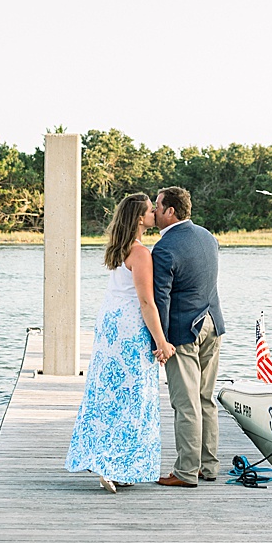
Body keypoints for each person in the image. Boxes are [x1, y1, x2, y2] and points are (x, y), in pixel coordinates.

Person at [66, 192, 175, 492]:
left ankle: (105, 459)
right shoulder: (140, 253)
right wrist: (162, 342)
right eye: (151, 211)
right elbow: (146, 301)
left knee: (108, 391)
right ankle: (114, 464)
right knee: (133, 394)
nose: (155, 213)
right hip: (129, 326)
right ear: (141, 218)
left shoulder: (119, 248)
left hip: (109, 323)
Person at [150, 185, 227, 488]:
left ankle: (185, 472)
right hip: (213, 324)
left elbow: (161, 299)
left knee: (186, 405)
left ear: (170, 211)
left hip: (183, 331)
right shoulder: (208, 237)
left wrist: (160, 341)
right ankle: (208, 466)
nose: (154, 211)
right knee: (205, 399)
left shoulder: (165, 248)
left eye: (158, 206)